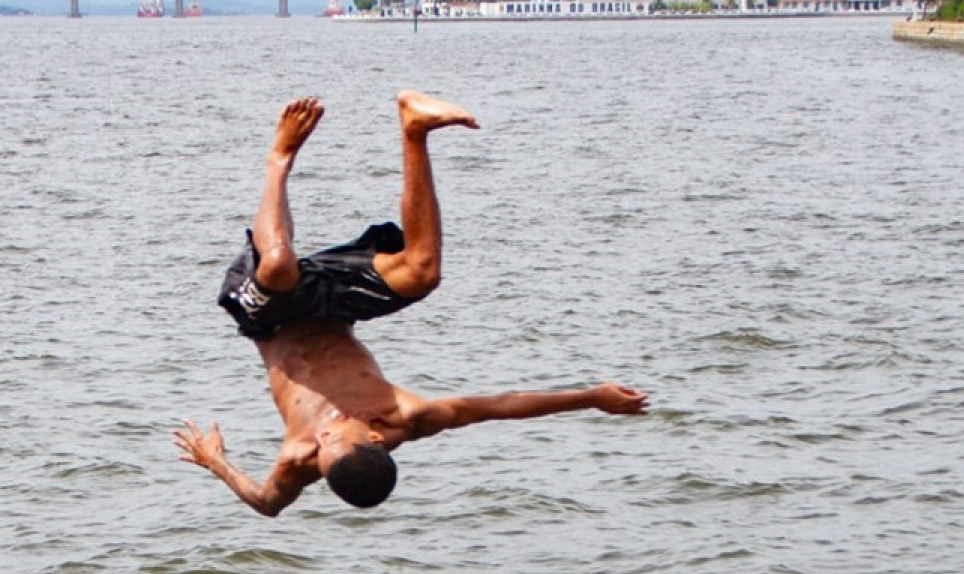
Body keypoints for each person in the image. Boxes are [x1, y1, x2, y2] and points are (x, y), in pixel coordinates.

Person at [174, 91, 648, 515]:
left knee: (277, 264)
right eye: (335, 438)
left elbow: (266, 503)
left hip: (268, 318)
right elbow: (500, 405)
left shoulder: (298, 459)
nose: (323, 437)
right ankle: (414, 127)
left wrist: (214, 460)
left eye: (325, 447)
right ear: (376, 436)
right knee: (423, 273)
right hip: (335, 307)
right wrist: (590, 397)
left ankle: (278, 159)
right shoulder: (407, 417)